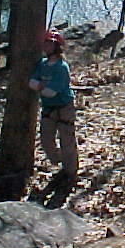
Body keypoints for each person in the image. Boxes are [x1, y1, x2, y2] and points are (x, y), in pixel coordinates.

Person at [29, 29, 78, 185]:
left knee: (67, 142)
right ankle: (59, 162)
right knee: (46, 141)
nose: (46, 46)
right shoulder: (42, 64)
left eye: (50, 43)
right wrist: (42, 85)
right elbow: (32, 83)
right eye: (45, 43)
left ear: (57, 46)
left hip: (65, 108)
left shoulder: (62, 67)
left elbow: (50, 92)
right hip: (48, 109)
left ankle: (70, 173)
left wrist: (41, 86)